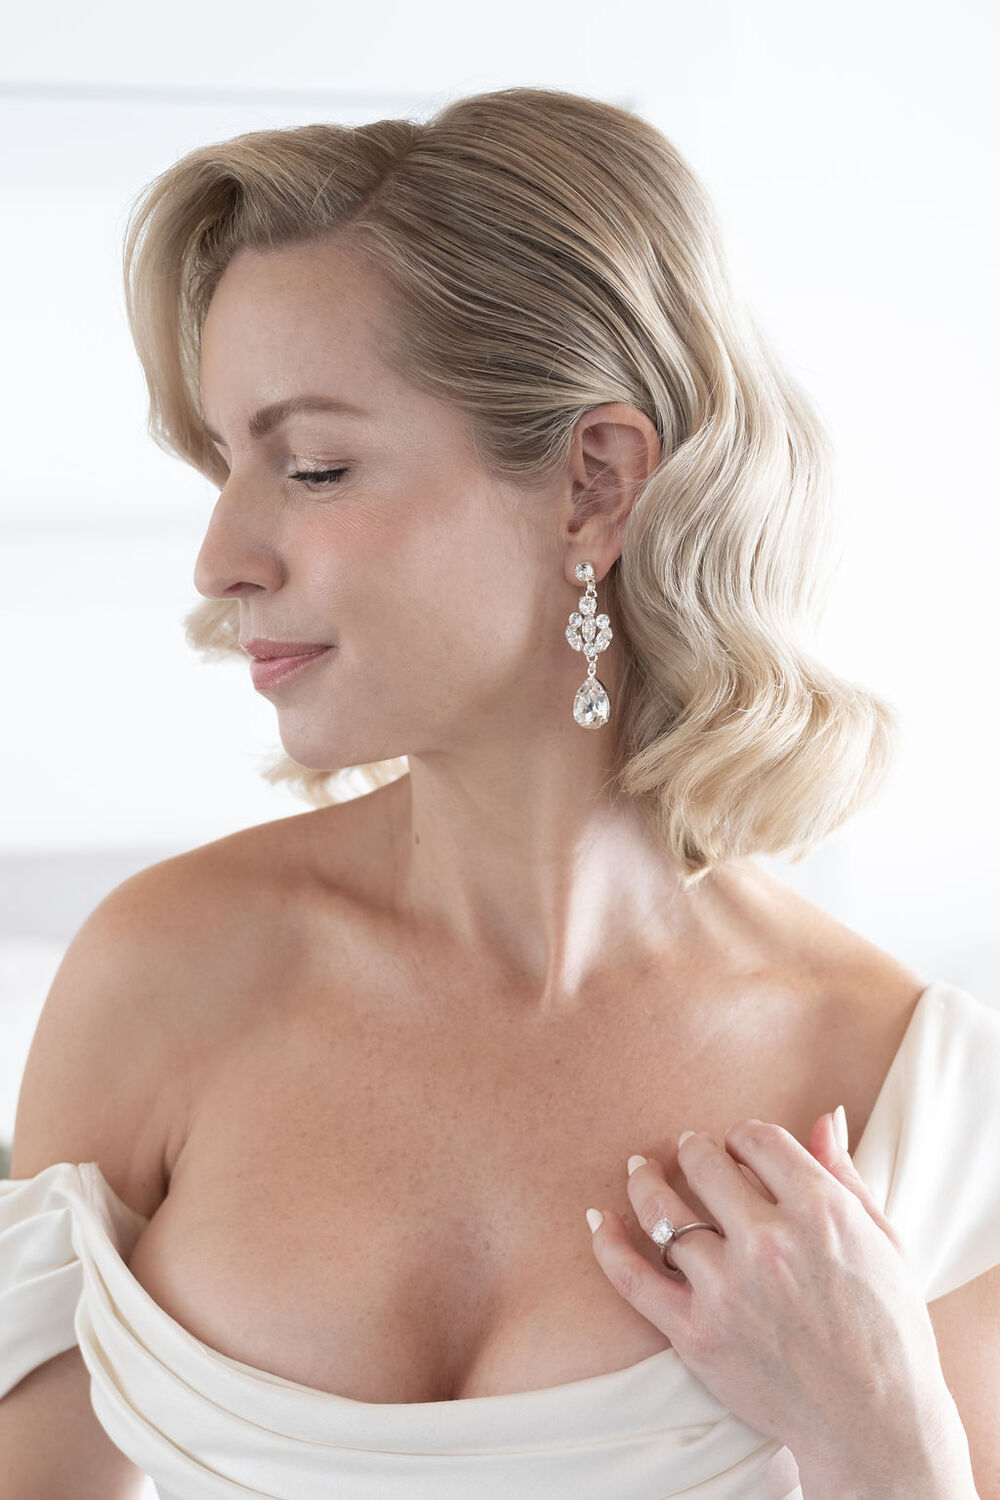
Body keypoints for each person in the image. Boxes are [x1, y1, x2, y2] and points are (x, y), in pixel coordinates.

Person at [0, 85, 997, 1500]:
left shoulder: (913, 1098)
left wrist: (886, 1434)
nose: (221, 559)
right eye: (226, 467)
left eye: (314, 466)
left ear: (594, 482)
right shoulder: (156, 978)